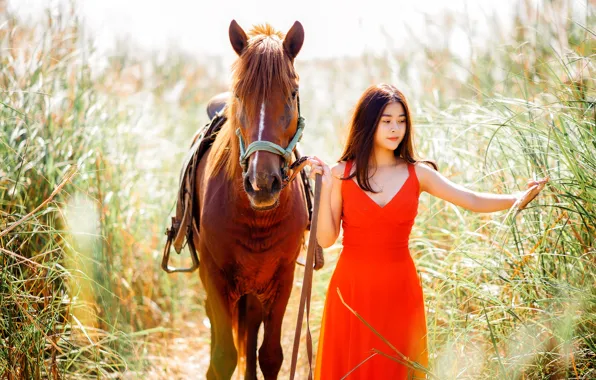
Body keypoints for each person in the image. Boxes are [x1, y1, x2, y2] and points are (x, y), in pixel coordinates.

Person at [307, 83, 547, 379]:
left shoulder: (418, 173)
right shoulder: (340, 173)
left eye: (401, 120)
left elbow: (469, 199)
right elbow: (326, 239)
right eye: (387, 121)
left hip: (400, 289)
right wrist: (324, 189)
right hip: (352, 289)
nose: (396, 128)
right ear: (368, 123)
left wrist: (516, 199)